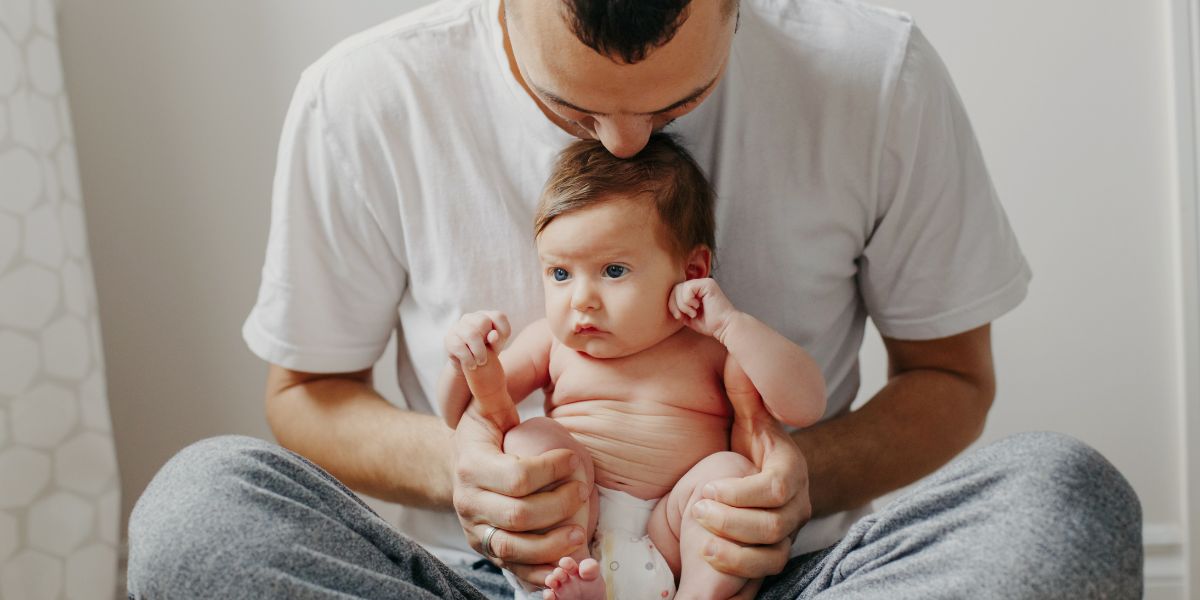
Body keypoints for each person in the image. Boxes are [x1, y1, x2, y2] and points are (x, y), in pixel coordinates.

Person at [126, 0, 1144, 598]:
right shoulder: (363, 97)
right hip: (498, 585)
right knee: (197, 511)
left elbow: (952, 378)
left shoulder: (879, 77)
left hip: (783, 578)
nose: (622, 146)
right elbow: (305, 389)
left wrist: (793, 488)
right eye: (572, 107)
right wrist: (469, 475)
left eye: (676, 103)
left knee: (1063, 496)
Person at [438, 134, 826, 599]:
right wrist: (466, 356)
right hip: (575, 525)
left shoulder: (712, 347)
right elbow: (460, 412)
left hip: (674, 533)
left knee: (729, 475)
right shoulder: (551, 343)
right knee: (527, 440)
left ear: (693, 271)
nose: (582, 300)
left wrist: (733, 326)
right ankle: (575, 584)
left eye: (613, 271)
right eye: (560, 273)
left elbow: (804, 405)